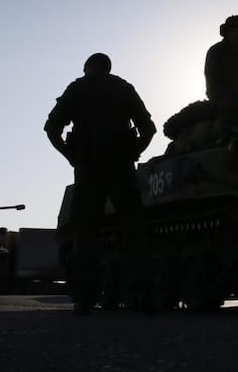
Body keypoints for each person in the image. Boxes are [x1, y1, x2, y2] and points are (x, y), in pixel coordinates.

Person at [44, 52, 156, 315]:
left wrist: (71, 156)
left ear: (87, 68)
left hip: (89, 167)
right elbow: (148, 129)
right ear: (108, 68)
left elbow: (51, 128)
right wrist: (133, 152)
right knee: (134, 230)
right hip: (121, 166)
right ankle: (145, 296)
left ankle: (84, 299)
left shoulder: (77, 89)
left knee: (85, 232)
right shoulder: (124, 88)